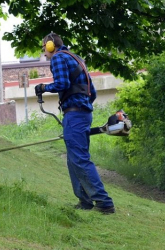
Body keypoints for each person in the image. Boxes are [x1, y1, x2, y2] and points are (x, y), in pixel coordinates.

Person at [35, 32, 115, 214]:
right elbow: (91, 92)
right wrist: (81, 106)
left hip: (75, 116)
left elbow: (61, 84)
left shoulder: (58, 58)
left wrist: (43, 87)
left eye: (44, 48)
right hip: (83, 114)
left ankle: (104, 202)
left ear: (50, 46)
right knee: (73, 159)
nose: (44, 53)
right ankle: (85, 201)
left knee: (79, 159)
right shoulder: (77, 59)